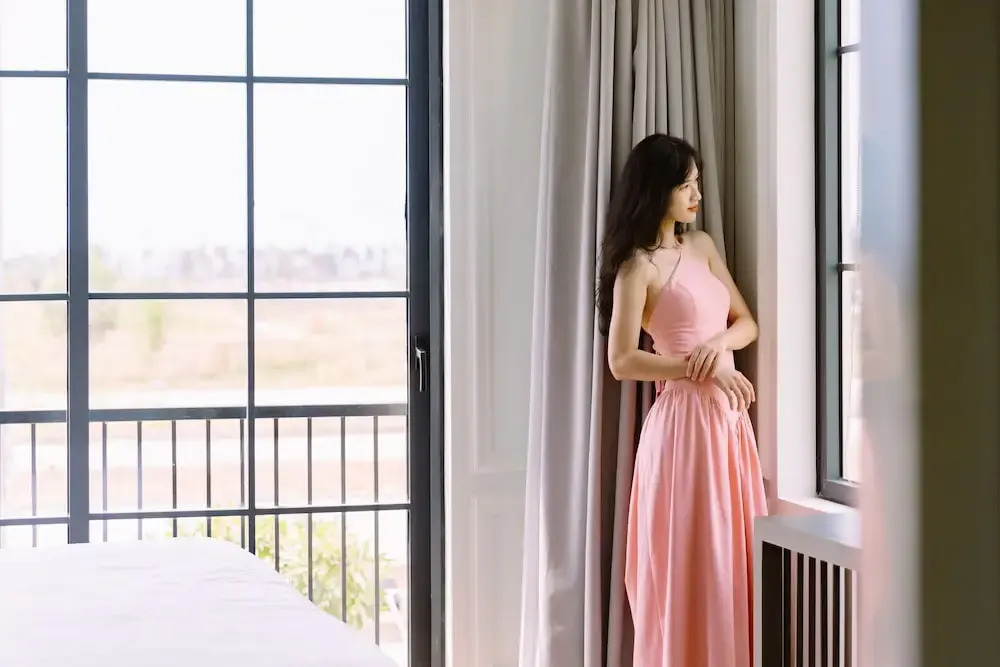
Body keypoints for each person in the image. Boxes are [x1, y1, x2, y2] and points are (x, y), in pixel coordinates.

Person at [596, 134, 767, 667]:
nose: (697, 195)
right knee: (695, 560)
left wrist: (717, 348)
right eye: (686, 185)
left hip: (728, 424)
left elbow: (747, 323)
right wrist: (698, 367)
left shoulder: (702, 246)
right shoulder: (637, 268)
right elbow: (622, 360)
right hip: (683, 429)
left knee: (731, 559)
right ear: (657, 190)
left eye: (697, 183)